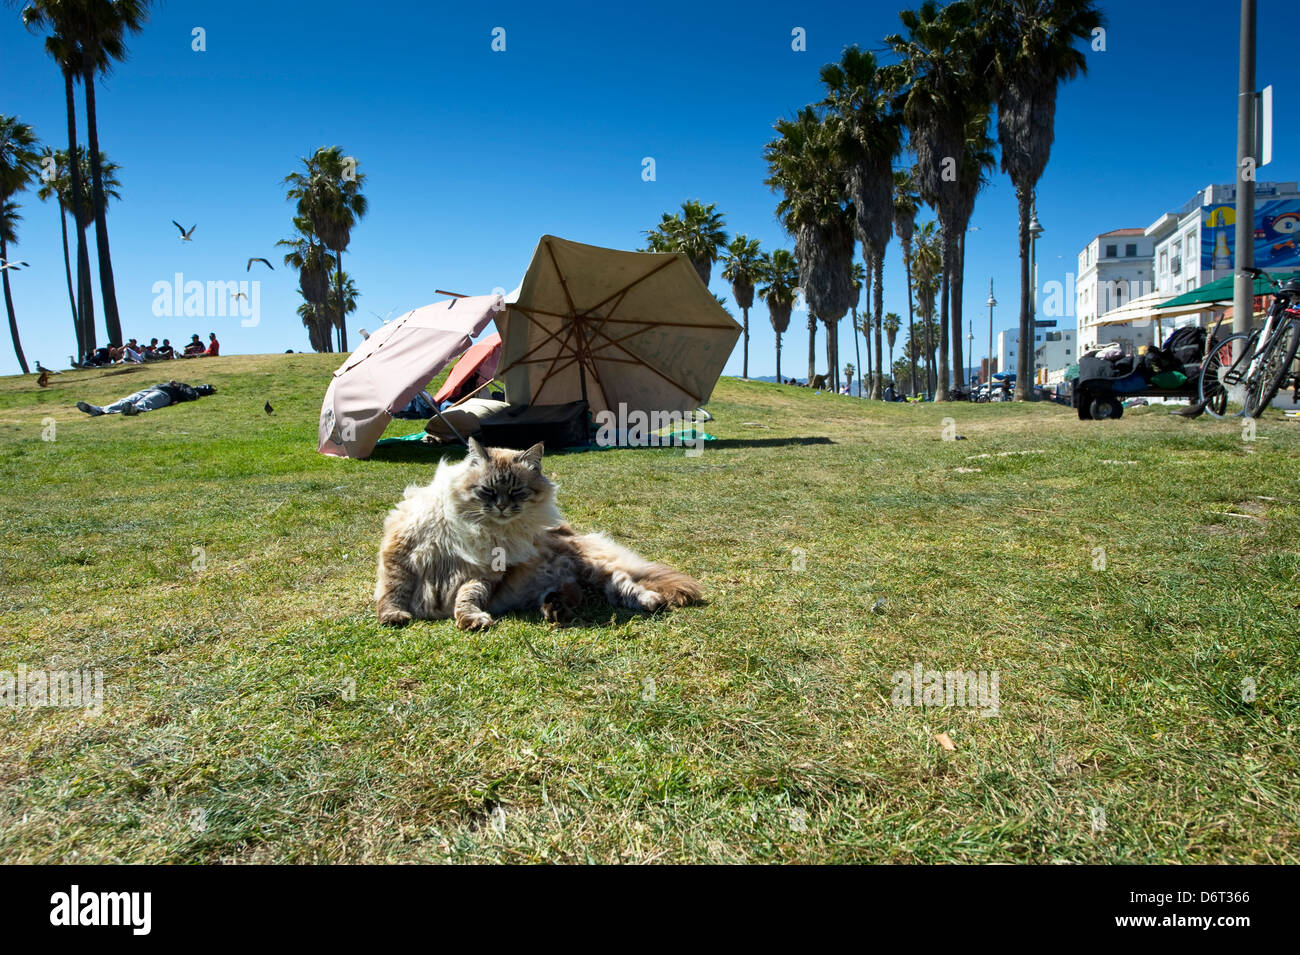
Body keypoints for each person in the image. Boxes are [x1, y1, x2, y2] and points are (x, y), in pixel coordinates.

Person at [75, 380, 216, 417]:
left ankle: (133, 409)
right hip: (153, 389)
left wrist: (177, 385)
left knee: (145, 403)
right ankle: (98, 410)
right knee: (127, 399)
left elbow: (192, 396)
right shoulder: (185, 387)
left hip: (165, 395)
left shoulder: (189, 388)